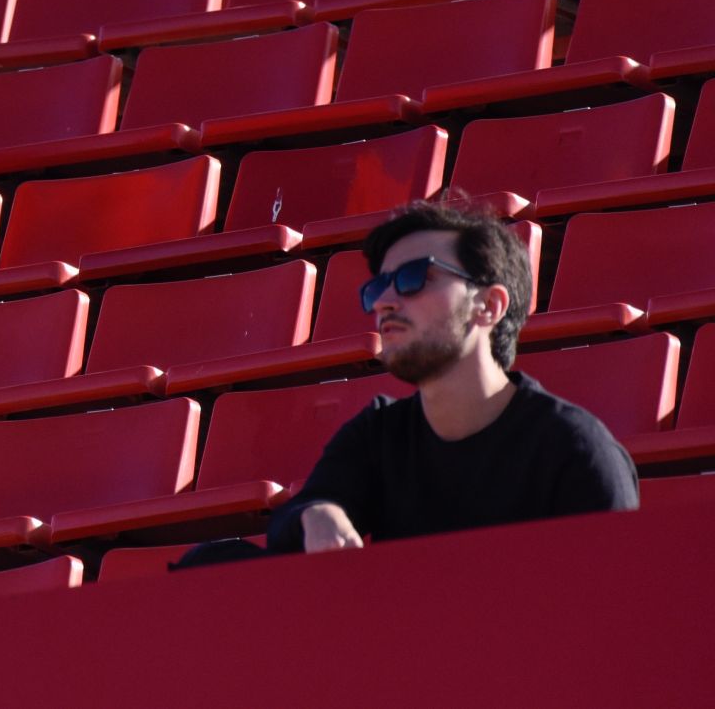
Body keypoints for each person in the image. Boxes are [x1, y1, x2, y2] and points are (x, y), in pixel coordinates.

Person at [267, 201, 638, 554]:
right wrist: (316, 514)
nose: (384, 302)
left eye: (415, 278)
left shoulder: (575, 451)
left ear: (489, 306)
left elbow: (613, 600)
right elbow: (290, 521)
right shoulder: (377, 436)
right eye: (379, 287)